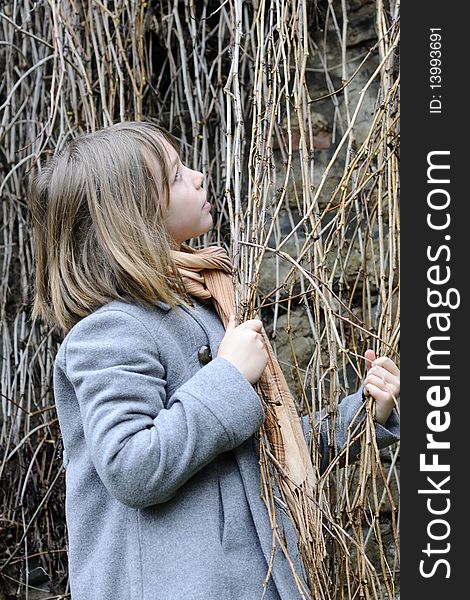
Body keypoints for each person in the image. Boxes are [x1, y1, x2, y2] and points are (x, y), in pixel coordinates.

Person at [29, 121, 400, 600]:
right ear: (132, 212)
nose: (199, 176)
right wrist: (227, 376)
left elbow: (265, 451)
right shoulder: (109, 331)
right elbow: (130, 466)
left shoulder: (204, 306)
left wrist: (366, 415)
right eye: (177, 175)